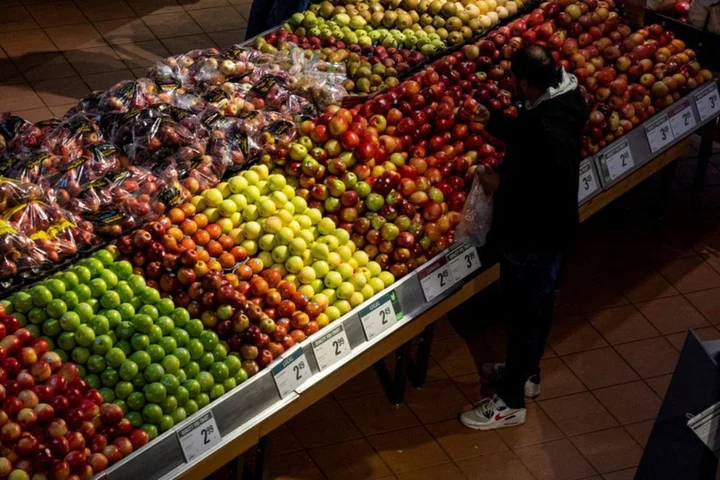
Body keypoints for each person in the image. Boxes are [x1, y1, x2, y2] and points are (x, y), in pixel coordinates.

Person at [459, 44, 588, 431]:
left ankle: (510, 402)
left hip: (533, 233)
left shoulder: (549, 132)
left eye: (515, 82)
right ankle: (527, 374)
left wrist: (500, 183)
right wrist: (493, 120)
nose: (511, 86)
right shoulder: (565, 99)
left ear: (528, 84)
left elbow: (541, 181)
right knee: (540, 306)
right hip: (556, 229)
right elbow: (528, 133)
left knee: (520, 317)